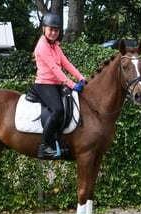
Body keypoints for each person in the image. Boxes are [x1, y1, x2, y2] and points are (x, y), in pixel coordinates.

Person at [34, 12, 87, 158]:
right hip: (44, 85)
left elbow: (66, 63)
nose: (53, 33)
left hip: (56, 84)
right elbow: (54, 69)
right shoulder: (42, 47)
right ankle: (44, 146)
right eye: (50, 29)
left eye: (56, 30)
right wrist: (71, 84)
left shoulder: (56, 46)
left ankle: (62, 143)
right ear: (43, 29)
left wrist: (80, 77)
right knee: (57, 110)